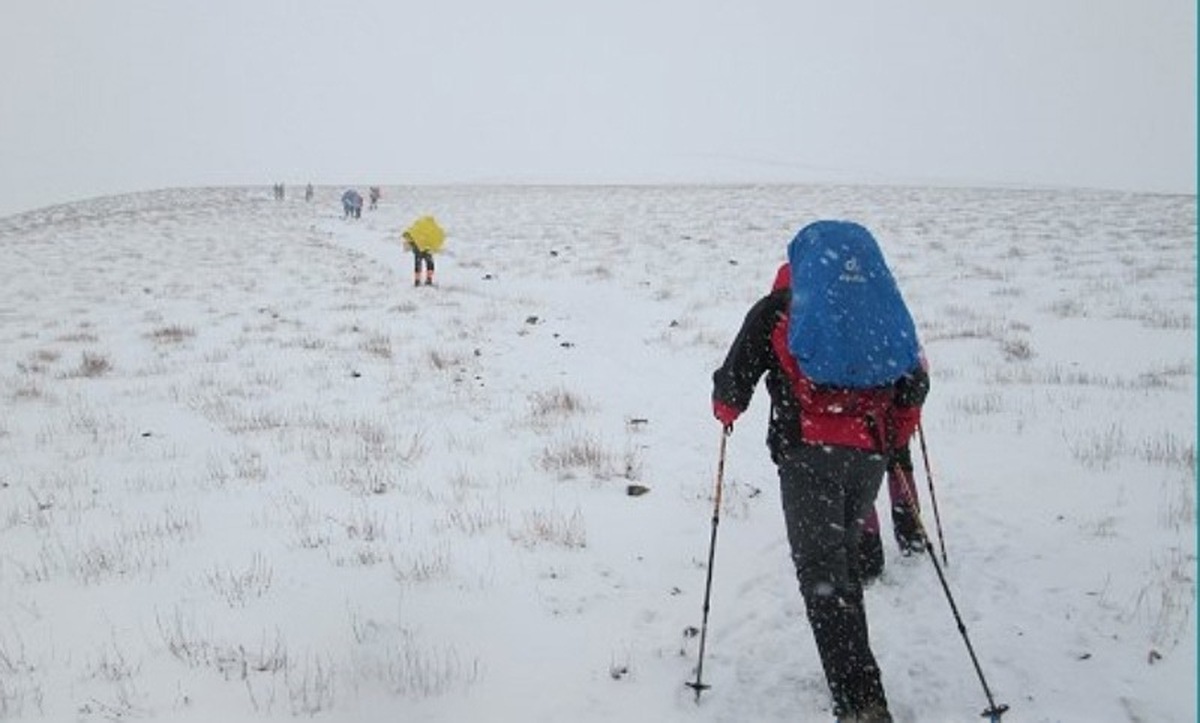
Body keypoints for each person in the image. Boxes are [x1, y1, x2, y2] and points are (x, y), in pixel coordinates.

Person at [711, 221, 928, 722]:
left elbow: (731, 386)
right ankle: (854, 671)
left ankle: (861, 699)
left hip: (808, 457)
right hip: (868, 458)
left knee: (823, 575)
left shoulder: (777, 311)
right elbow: (913, 381)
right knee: (841, 561)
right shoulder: (875, 310)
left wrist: (726, 411)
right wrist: (894, 437)